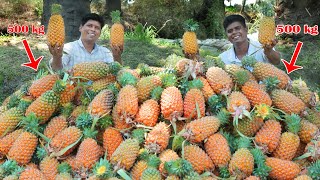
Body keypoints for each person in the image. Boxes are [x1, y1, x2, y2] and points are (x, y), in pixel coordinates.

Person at [49, 13, 123, 71]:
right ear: (81, 28)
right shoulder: (68, 49)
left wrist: (117, 57)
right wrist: (57, 57)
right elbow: (56, 71)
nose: (93, 29)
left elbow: (117, 73)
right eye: (89, 25)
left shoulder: (105, 52)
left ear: (100, 33)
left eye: (97, 28)